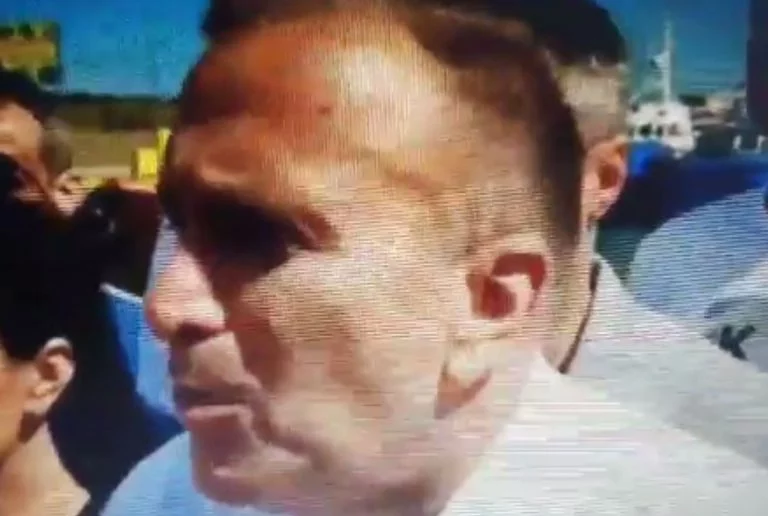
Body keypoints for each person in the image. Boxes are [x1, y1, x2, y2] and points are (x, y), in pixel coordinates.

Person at [107, 2, 768, 515]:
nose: (163, 306)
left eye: (256, 237)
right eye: (179, 225)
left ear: (492, 299)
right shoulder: (164, 492)